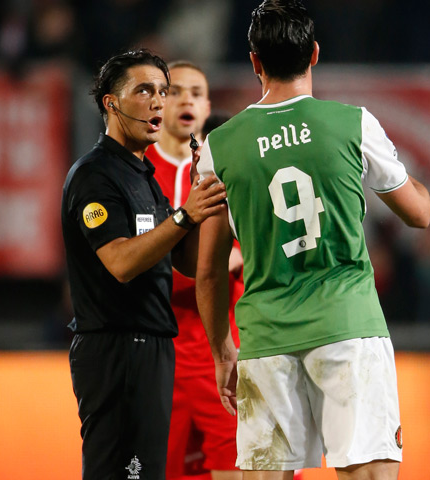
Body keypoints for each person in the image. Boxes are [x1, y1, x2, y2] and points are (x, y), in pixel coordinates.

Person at [194, 2, 430, 480]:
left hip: (266, 339)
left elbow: (209, 269)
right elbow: (420, 214)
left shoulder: (219, 147)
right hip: (349, 329)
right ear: (315, 55)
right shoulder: (352, 124)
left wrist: (223, 348)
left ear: (255, 62)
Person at [60, 49, 227, 480]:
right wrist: (185, 215)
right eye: (144, 91)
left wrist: (208, 209)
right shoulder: (95, 175)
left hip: (152, 349)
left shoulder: (143, 176)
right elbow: (119, 262)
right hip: (115, 350)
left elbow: (184, 263)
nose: (159, 101)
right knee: (121, 472)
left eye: (162, 91)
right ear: (110, 103)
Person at [145, 61, 242, 480]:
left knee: (235, 469)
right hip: (155, 356)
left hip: (219, 350)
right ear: (158, 105)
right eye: (176, 91)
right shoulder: (135, 170)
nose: (187, 99)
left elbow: (244, 251)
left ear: (207, 108)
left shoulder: (230, 169)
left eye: (197, 93)